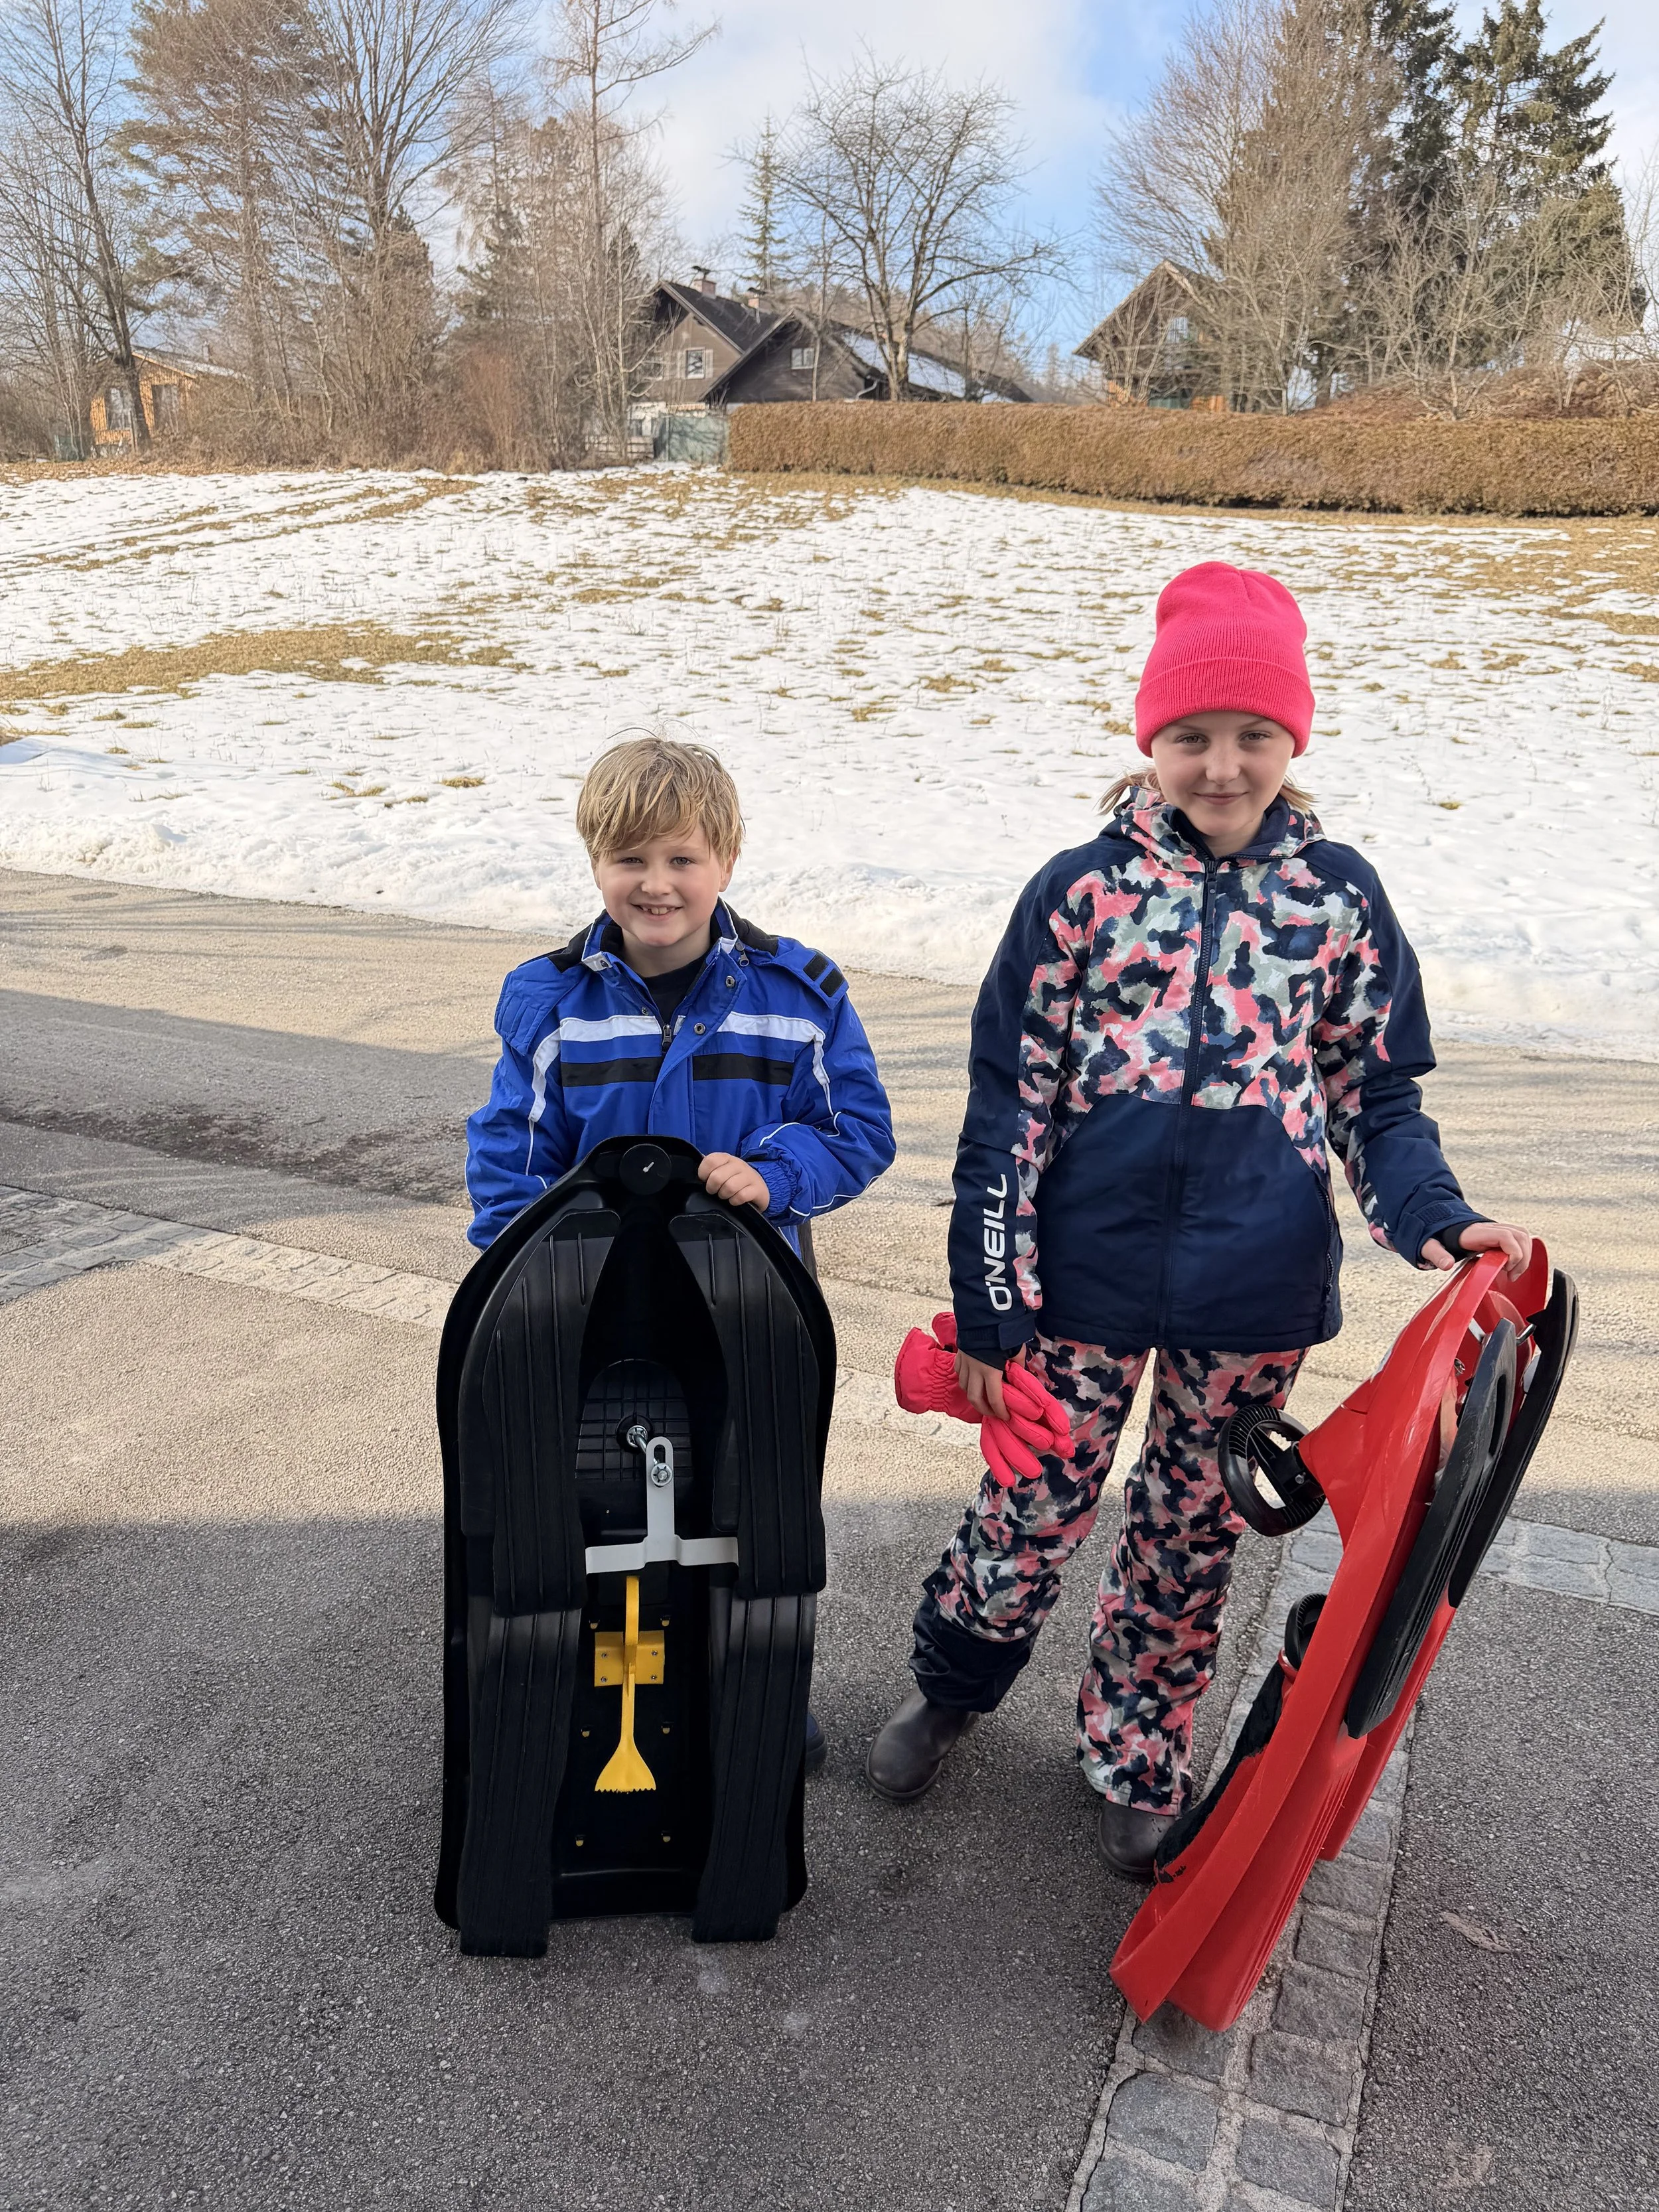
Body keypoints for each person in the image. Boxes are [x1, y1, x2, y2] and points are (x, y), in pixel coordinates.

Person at [864, 562, 1534, 1876]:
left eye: (1250, 737)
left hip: (1252, 1293)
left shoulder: (1336, 899)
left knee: (1186, 1536)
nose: (1219, 766)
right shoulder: (1077, 894)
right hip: (1078, 1286)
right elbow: (1006, 1112)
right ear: (1147, 740)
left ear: (1292, 739)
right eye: (1189, 737)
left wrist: (1434, 1219)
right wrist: (991, 1300)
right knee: (1030, 1508)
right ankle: (947, 1687)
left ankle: (1136, 1749)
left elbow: (1370, 1090)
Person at [467, 734, 896, 1777]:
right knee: (602, 1505)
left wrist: (775, 1174)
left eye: (682, 859)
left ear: (727, 861)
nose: (656, 885)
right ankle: (616, 1685)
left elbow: (861, 1132)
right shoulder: (551, 1002)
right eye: (630, 860)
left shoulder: (798, 995)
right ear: (595, 862)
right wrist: (516, 1290)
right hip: (594, 1314)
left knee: (753, 1502)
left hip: (749, 1314)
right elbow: (511, 1161)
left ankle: (756, 1682)